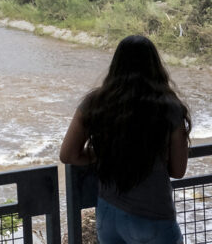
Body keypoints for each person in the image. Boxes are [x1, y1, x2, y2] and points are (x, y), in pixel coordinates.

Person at [60, 35, 192, 244]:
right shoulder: (169, 107)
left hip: (109, 215)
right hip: (153, 215)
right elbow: (178, 170)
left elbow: (68, 155)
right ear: (155, 66)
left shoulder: (96, 102)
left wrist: (104, 152)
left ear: (116, 65)